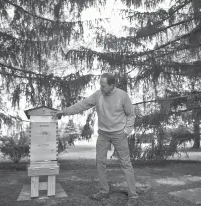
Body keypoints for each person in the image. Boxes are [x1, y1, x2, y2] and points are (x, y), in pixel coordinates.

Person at [52, 73, 138, 206]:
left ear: (112, 85)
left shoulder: (122, 95)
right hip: (103, 135)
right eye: (100, 85)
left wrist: (126, 131)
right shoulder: (98, 95)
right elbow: (82, 104)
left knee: (126, 164)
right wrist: (64, 111)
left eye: (103, 86)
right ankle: (104, 191)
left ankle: (133, 195)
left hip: (119, 135)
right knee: (100, 163)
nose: (101, 88)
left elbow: (130, 114)